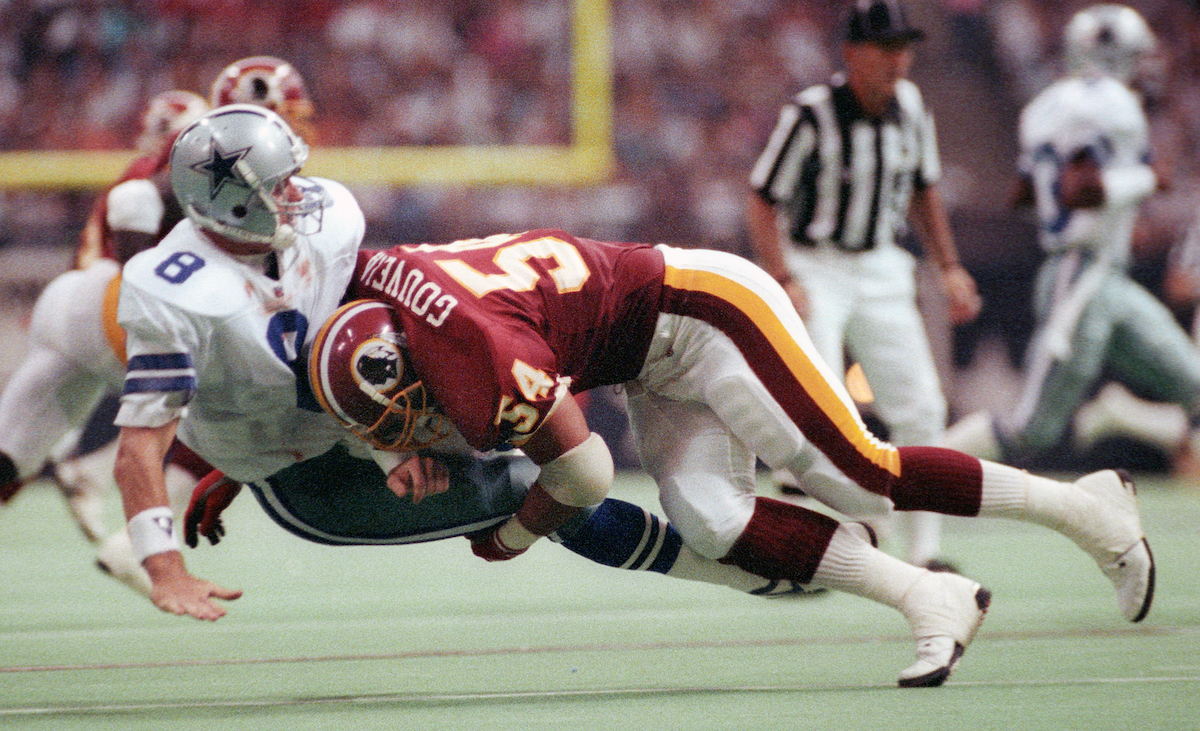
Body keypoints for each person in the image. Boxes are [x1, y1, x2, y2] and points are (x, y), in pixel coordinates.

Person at [309, 221, 1152, 688]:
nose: (401, 439)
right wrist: (391, 450)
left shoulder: (479, 353)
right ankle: (928, 594)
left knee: (858, 470)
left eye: (401, 425)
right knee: (711, 518)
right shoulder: (376, 284)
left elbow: (583, 470)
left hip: (701, 309)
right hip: (646, 357)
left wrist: (513, 536)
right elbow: (373, 375)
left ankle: (1085, 507)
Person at [110, 104, 824, 647]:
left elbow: (345, 348)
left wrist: (394, 442)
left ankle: (774, 554)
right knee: (533, 492)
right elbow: (140, 447)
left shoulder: (324, 224)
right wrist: (167, 562)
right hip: (309, 478)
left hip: (364, 415)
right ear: (233, 203)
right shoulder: (174, 289)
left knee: (552, 463)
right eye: (279, 184)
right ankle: (745, 571)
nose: (301, 192)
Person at [745, 0, 982, 571]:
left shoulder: (913, 107)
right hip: (817, 264)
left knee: (921, 407)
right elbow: (761, 198)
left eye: (904, 47)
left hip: (881, 264)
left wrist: (948, 266)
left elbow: (925, 189)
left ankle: (927, 551)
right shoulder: (810, 114)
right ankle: (825, 542)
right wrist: (784, 276)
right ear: (852, 52)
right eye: (885, 47)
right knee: (823, 398)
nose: (898, 60)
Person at [940, 5, 1200, 474]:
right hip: (1080, 278)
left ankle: (1121, 414)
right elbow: (1079, 191)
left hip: (1104, 274)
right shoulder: (1110, 106)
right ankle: (907, 473)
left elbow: (1024, 192)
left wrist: (1111, 218)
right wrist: (1144, 178)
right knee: (1032, 427)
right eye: (1138, 56)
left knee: (1196, 385)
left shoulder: (1048, 103)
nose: (1148, 67)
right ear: (1115, 53)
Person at [0, 90, 210, 548]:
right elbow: (143, 215)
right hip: (115, 305)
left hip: (71, 300)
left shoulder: (132, 170)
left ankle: (86, 468)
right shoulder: (173, 170)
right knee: (220, 390)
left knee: (11, 457)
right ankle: (119, 510)